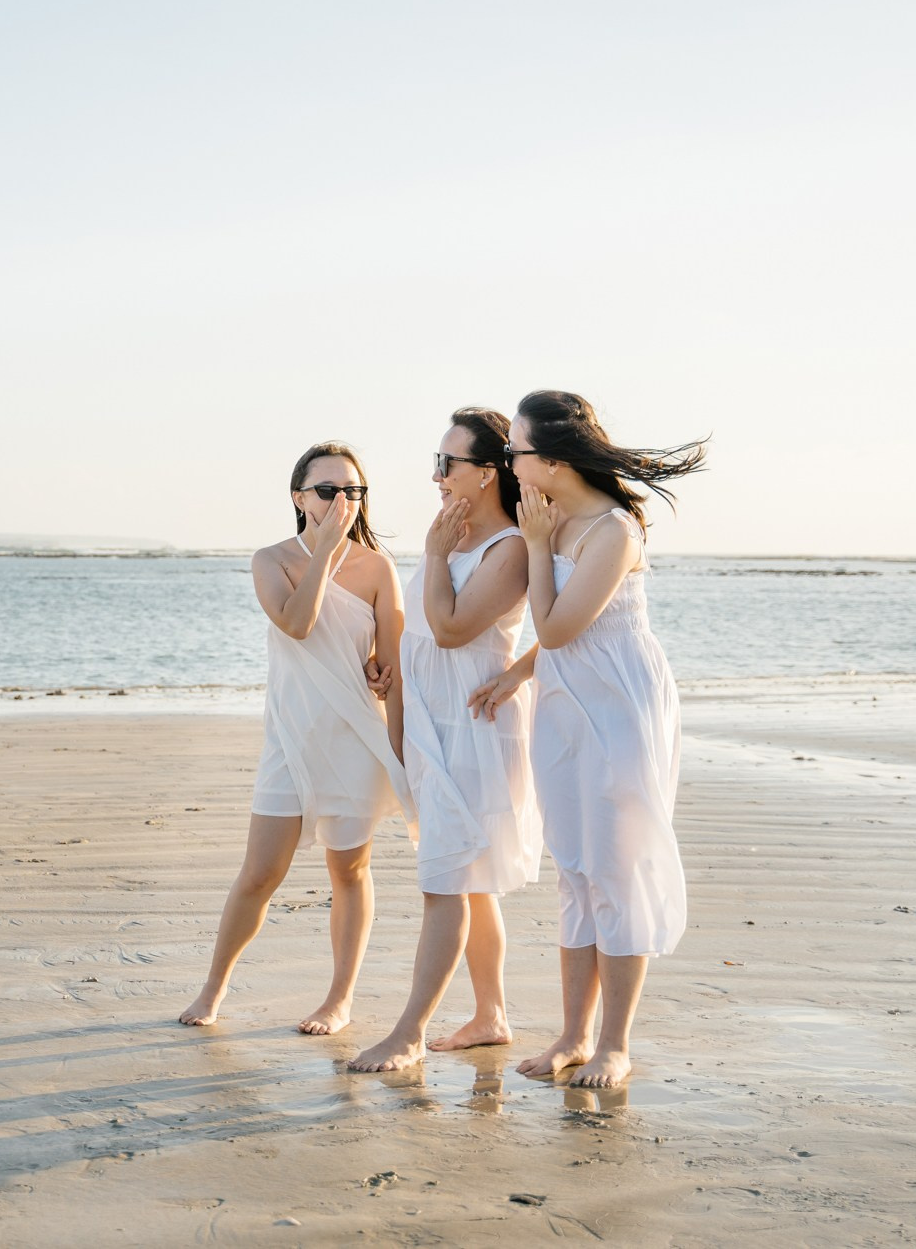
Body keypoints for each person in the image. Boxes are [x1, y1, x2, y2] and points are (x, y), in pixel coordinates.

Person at [482, 389, 705, 1087]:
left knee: (617, 866)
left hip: (618, 709)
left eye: (514, 451)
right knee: (575, 871)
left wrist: (540, 546)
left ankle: (615, 1043)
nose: (507, 462)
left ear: (551, 459)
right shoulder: (546, 519)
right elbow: (552, 644)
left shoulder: (612, 530)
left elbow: (557, 627)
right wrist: (516, 674)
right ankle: (573, 1035)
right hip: (563, 707)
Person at [180, 441, 413, 1035]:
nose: (343, 502)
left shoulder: (379, 569)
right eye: (328, 491)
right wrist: (327, 552)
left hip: (353, 738)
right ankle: (213, 989)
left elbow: (393, 671)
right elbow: (297, 624)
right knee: (260, 872)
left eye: (353, 492)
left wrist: (401, 747)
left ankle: (339, 999)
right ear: (299, 497)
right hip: (290, 736)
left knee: (350, 872)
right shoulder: (271, 560)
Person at [351, 408, 541, 1072]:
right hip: (430, 728)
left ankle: (409, 1030)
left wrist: (433, 555)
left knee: (447, 880)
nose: (435, 475)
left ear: (487, 473)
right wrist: (396, 718)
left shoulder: (510, 547)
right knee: (470, 880)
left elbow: (453, 626)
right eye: (435, 462)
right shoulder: (450, 538)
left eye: (447, 463)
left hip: (474, 732)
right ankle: (491, 1014)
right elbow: (415, 638)